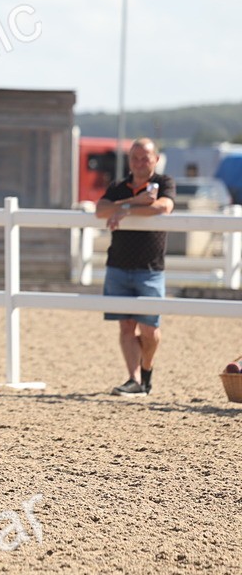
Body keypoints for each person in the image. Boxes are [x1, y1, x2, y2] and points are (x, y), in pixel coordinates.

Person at [95, 137, 174, 397]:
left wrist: (126, 208)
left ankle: (146, 368)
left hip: (149, 268)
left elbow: (163, 206)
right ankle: (134, 379)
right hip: (118, 264)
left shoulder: (164, 183)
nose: (140, 163)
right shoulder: (119, 186)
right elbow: (101, 209)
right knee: (126, 326)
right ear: (129, 161)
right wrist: (131, 204)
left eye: (145, 158)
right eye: (135, 158)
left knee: (150, 329)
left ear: (156, 160)